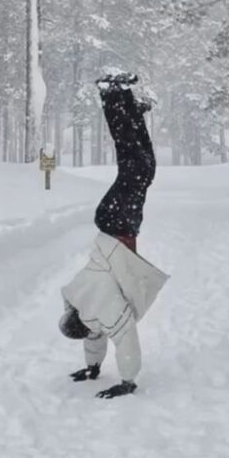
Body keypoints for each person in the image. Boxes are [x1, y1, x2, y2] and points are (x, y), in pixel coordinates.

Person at [59, 71, 168, 398]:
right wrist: (93, 367)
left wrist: (128, 381)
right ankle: (132, 107)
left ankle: (112, 95)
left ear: (87, 323)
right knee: (143, 168)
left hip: (117, 224)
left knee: (135, 167)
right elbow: (94, 339)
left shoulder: (102, 310)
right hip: (113, 223)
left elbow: (125, 338)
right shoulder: (79, 302)